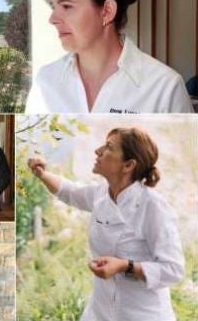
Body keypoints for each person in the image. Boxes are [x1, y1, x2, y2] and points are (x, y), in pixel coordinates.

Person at [28, 127, 184, 320]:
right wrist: (42, 174)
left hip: (142, 314)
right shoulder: (102, 193)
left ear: (128, 165)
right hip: (100, 310)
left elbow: (174, 270)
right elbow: (71, 191)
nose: (98, 150)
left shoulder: (153, 206)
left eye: (108, 147)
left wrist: (124, 266)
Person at [25, 0, 193, 113]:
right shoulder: (46, 82)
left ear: (107, 11)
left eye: (67, 6)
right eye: (53, 6)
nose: (52, 19)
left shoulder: (165, 88)